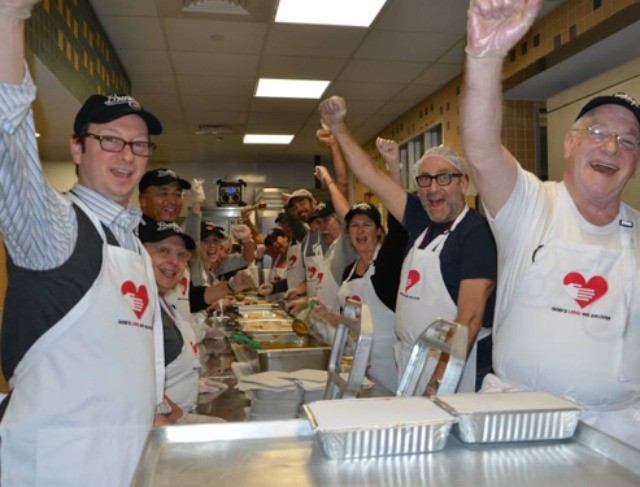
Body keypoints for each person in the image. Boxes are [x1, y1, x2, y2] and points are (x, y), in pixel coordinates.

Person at [463, 0, 640, 448]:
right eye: (599, 132)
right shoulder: (531, 203)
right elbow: (482, 152)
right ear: (570, 142)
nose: (612, 148)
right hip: (519, 425)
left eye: (628, 141)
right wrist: (484, 58)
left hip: (620, 435)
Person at [0, 2, 164, 484]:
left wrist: (151, 403)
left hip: (124, 459)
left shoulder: (132, 242)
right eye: (109, 140)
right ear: (77, 147)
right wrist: (10, 19)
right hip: (56, 467)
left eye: (138, 145)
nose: (127, 155)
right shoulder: (55, 227)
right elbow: (9, 144)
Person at [318, 95, 497, 395]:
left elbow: (469, 319)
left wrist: (437, 384)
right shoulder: (419, 218)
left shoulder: (474, 234)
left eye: (444, 178)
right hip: (413, 362)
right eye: (424, 180)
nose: (433, 188)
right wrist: (339, 128)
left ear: (463, 184)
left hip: (455, 367)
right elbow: (370, 176)